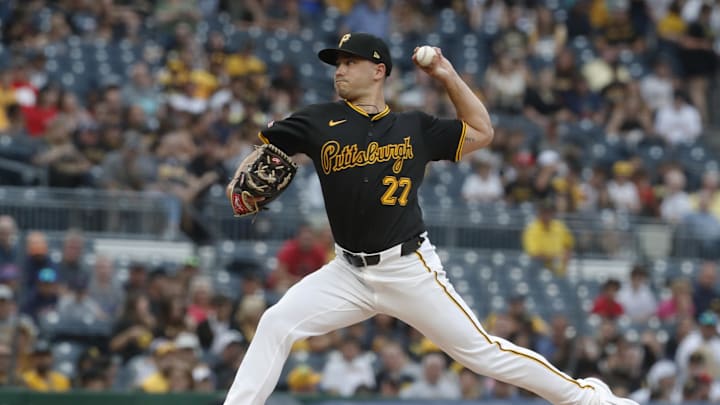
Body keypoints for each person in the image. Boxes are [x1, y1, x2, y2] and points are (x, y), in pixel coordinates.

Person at [222, 32, 637, 405]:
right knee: (277, 321)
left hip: (408, 269)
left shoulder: (414, 127)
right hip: (347, 273)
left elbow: (482, 131)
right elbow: (260, 157)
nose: (340, 70)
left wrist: (446, 74)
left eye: (350, 62)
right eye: (338, 64)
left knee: (483, 353)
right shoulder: (317, 120)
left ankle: (589, 398)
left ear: (378, 70)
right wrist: (239, 183)